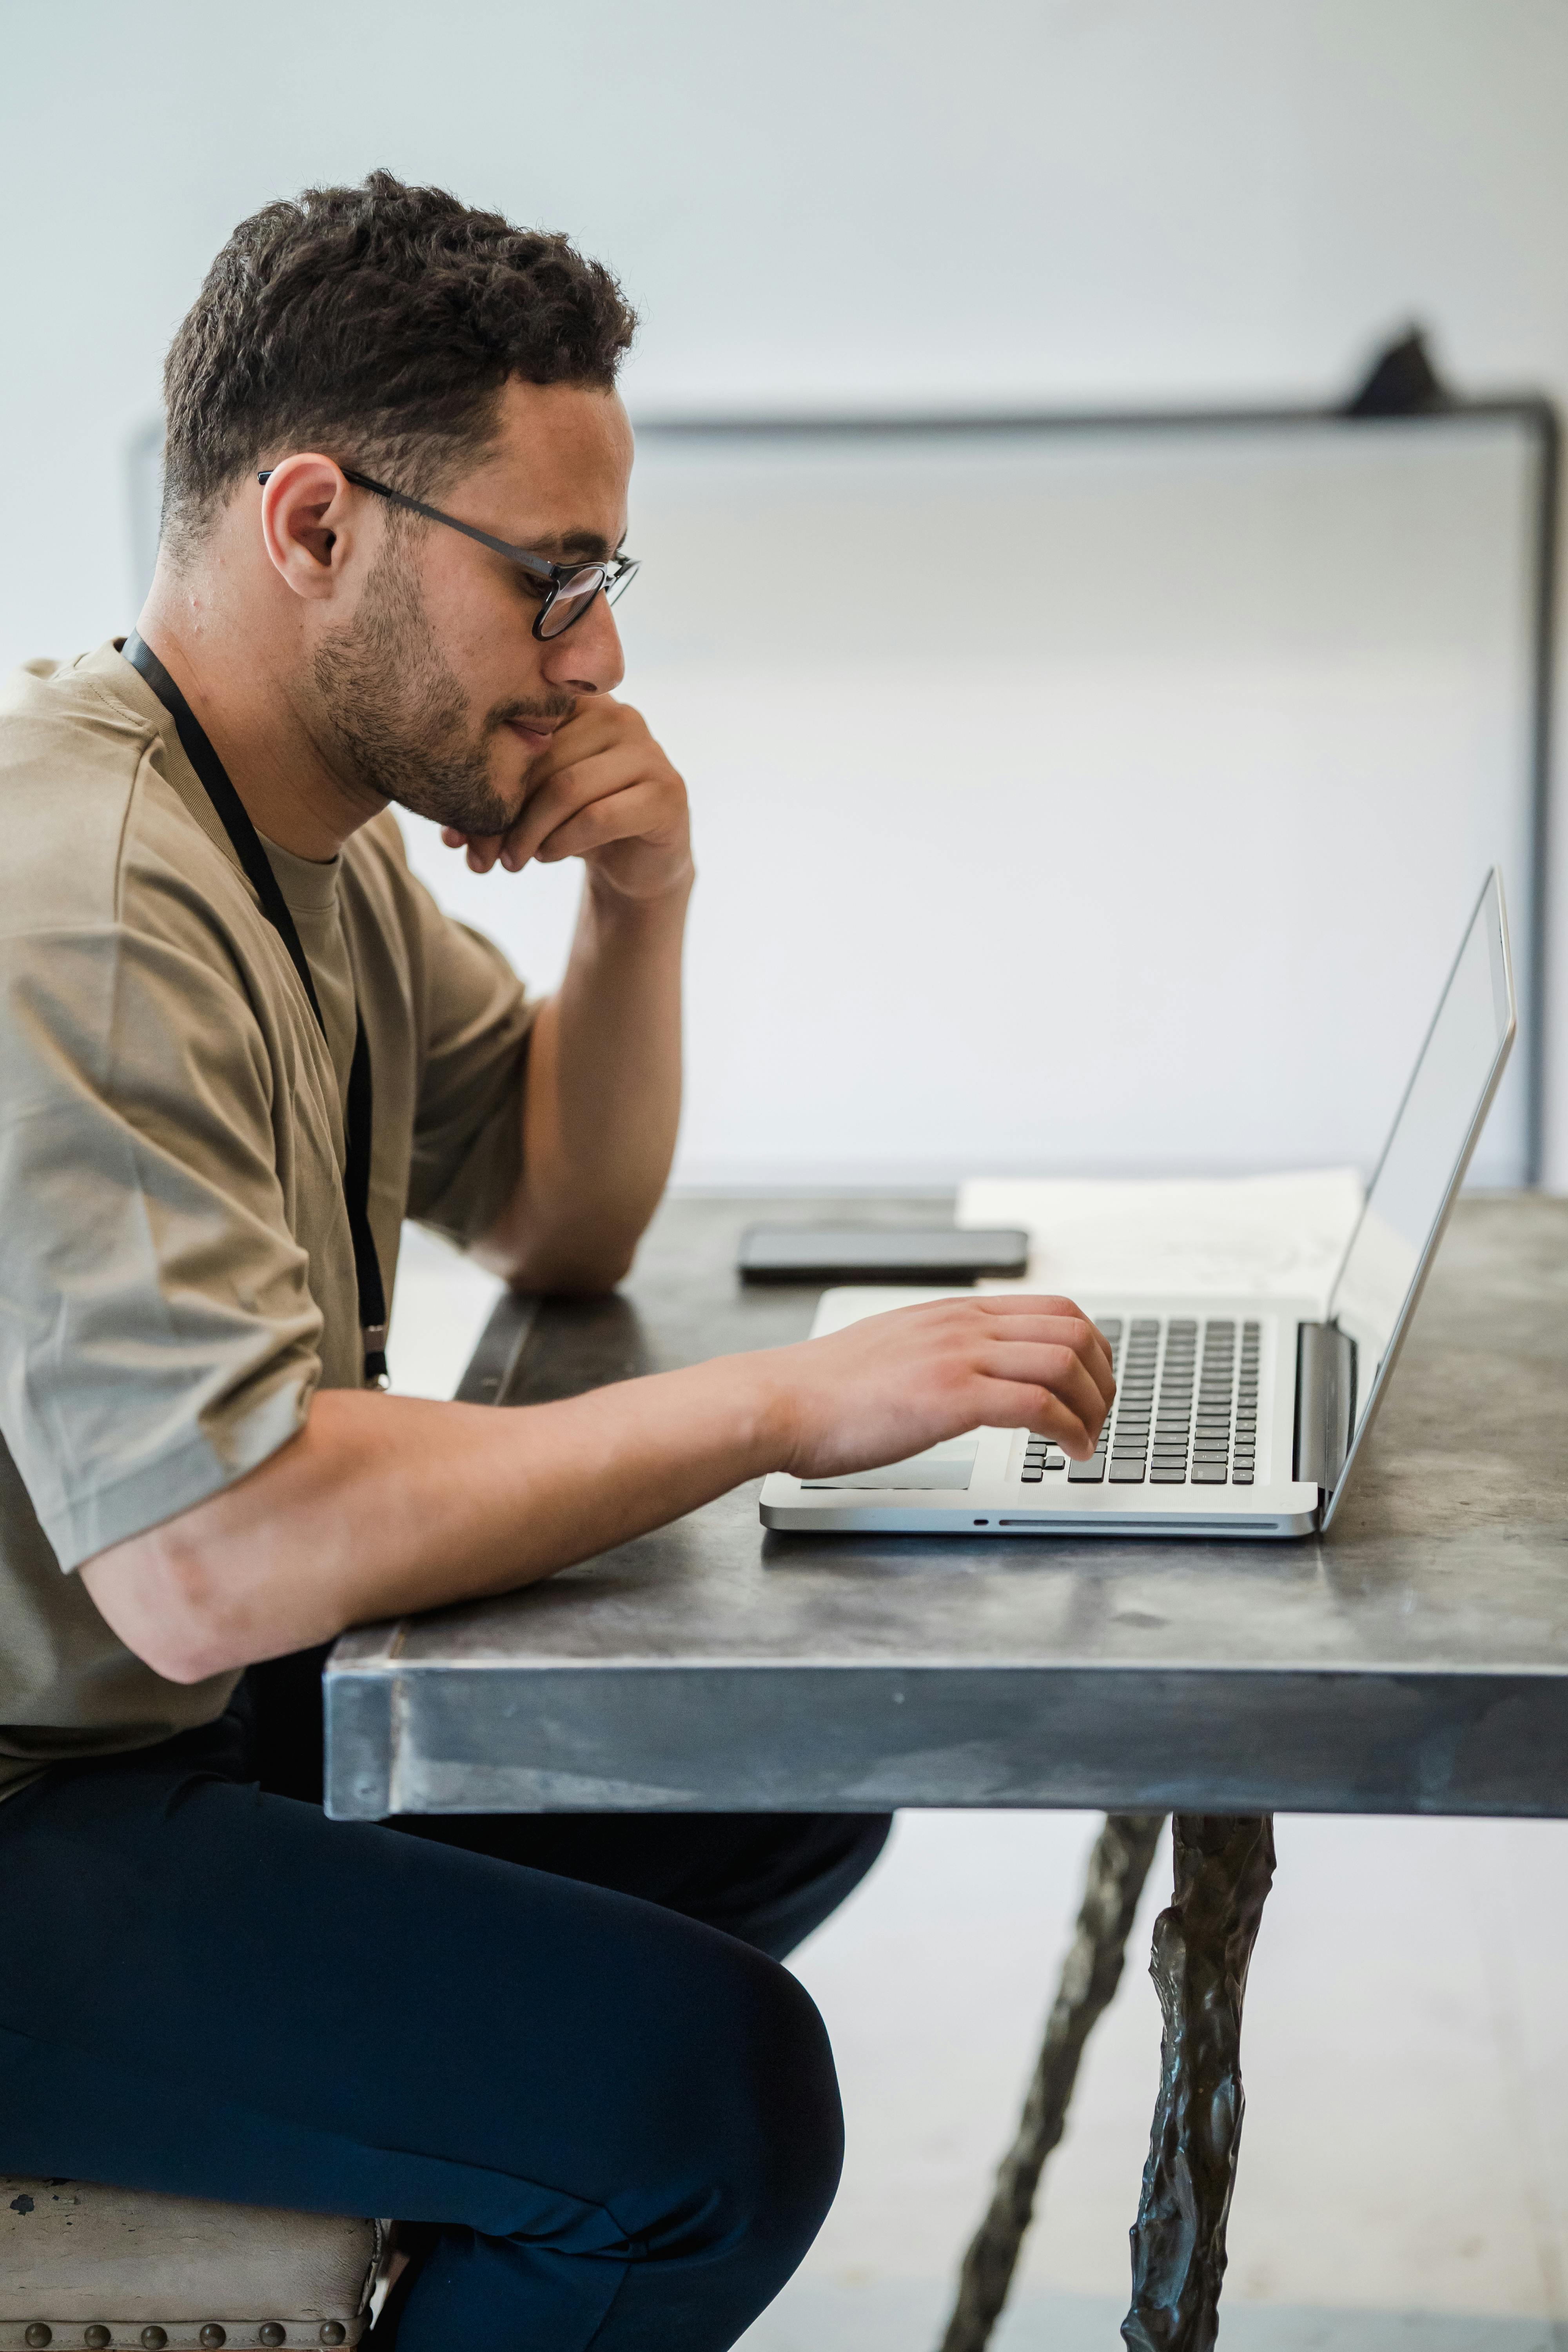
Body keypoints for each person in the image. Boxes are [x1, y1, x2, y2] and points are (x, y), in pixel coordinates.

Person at [0, 172, 1114, 2350]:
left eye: (605, 581)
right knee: (705, 2107)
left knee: (758, 1789)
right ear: (313, 525)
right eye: (553, 578)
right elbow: (210, 1560)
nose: (596, 655)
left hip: (148, 1730)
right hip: (47, 1790)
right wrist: (792, 1402)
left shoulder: (297, 842)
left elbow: (556, 1208)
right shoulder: (92, 891)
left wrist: (642, 896)